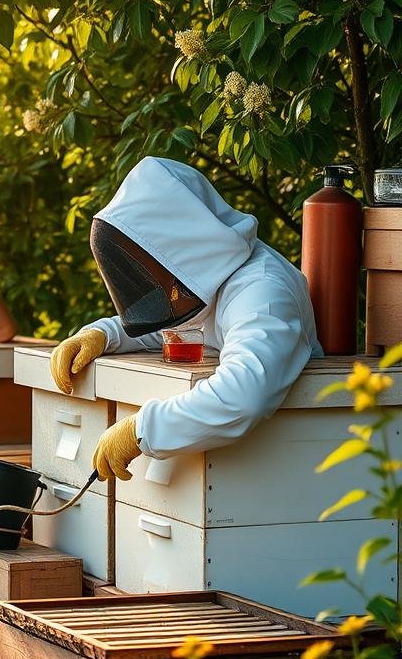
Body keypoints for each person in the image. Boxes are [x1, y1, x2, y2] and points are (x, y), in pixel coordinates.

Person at [51, 157, 322, 482]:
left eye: (145, 263)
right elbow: (171, 330)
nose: (144, 279)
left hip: (285, 468)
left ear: (176, 244)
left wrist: (143, 429)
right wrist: (104, 334)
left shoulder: (262, 293)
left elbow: (244, 396)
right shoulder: (207, 282)